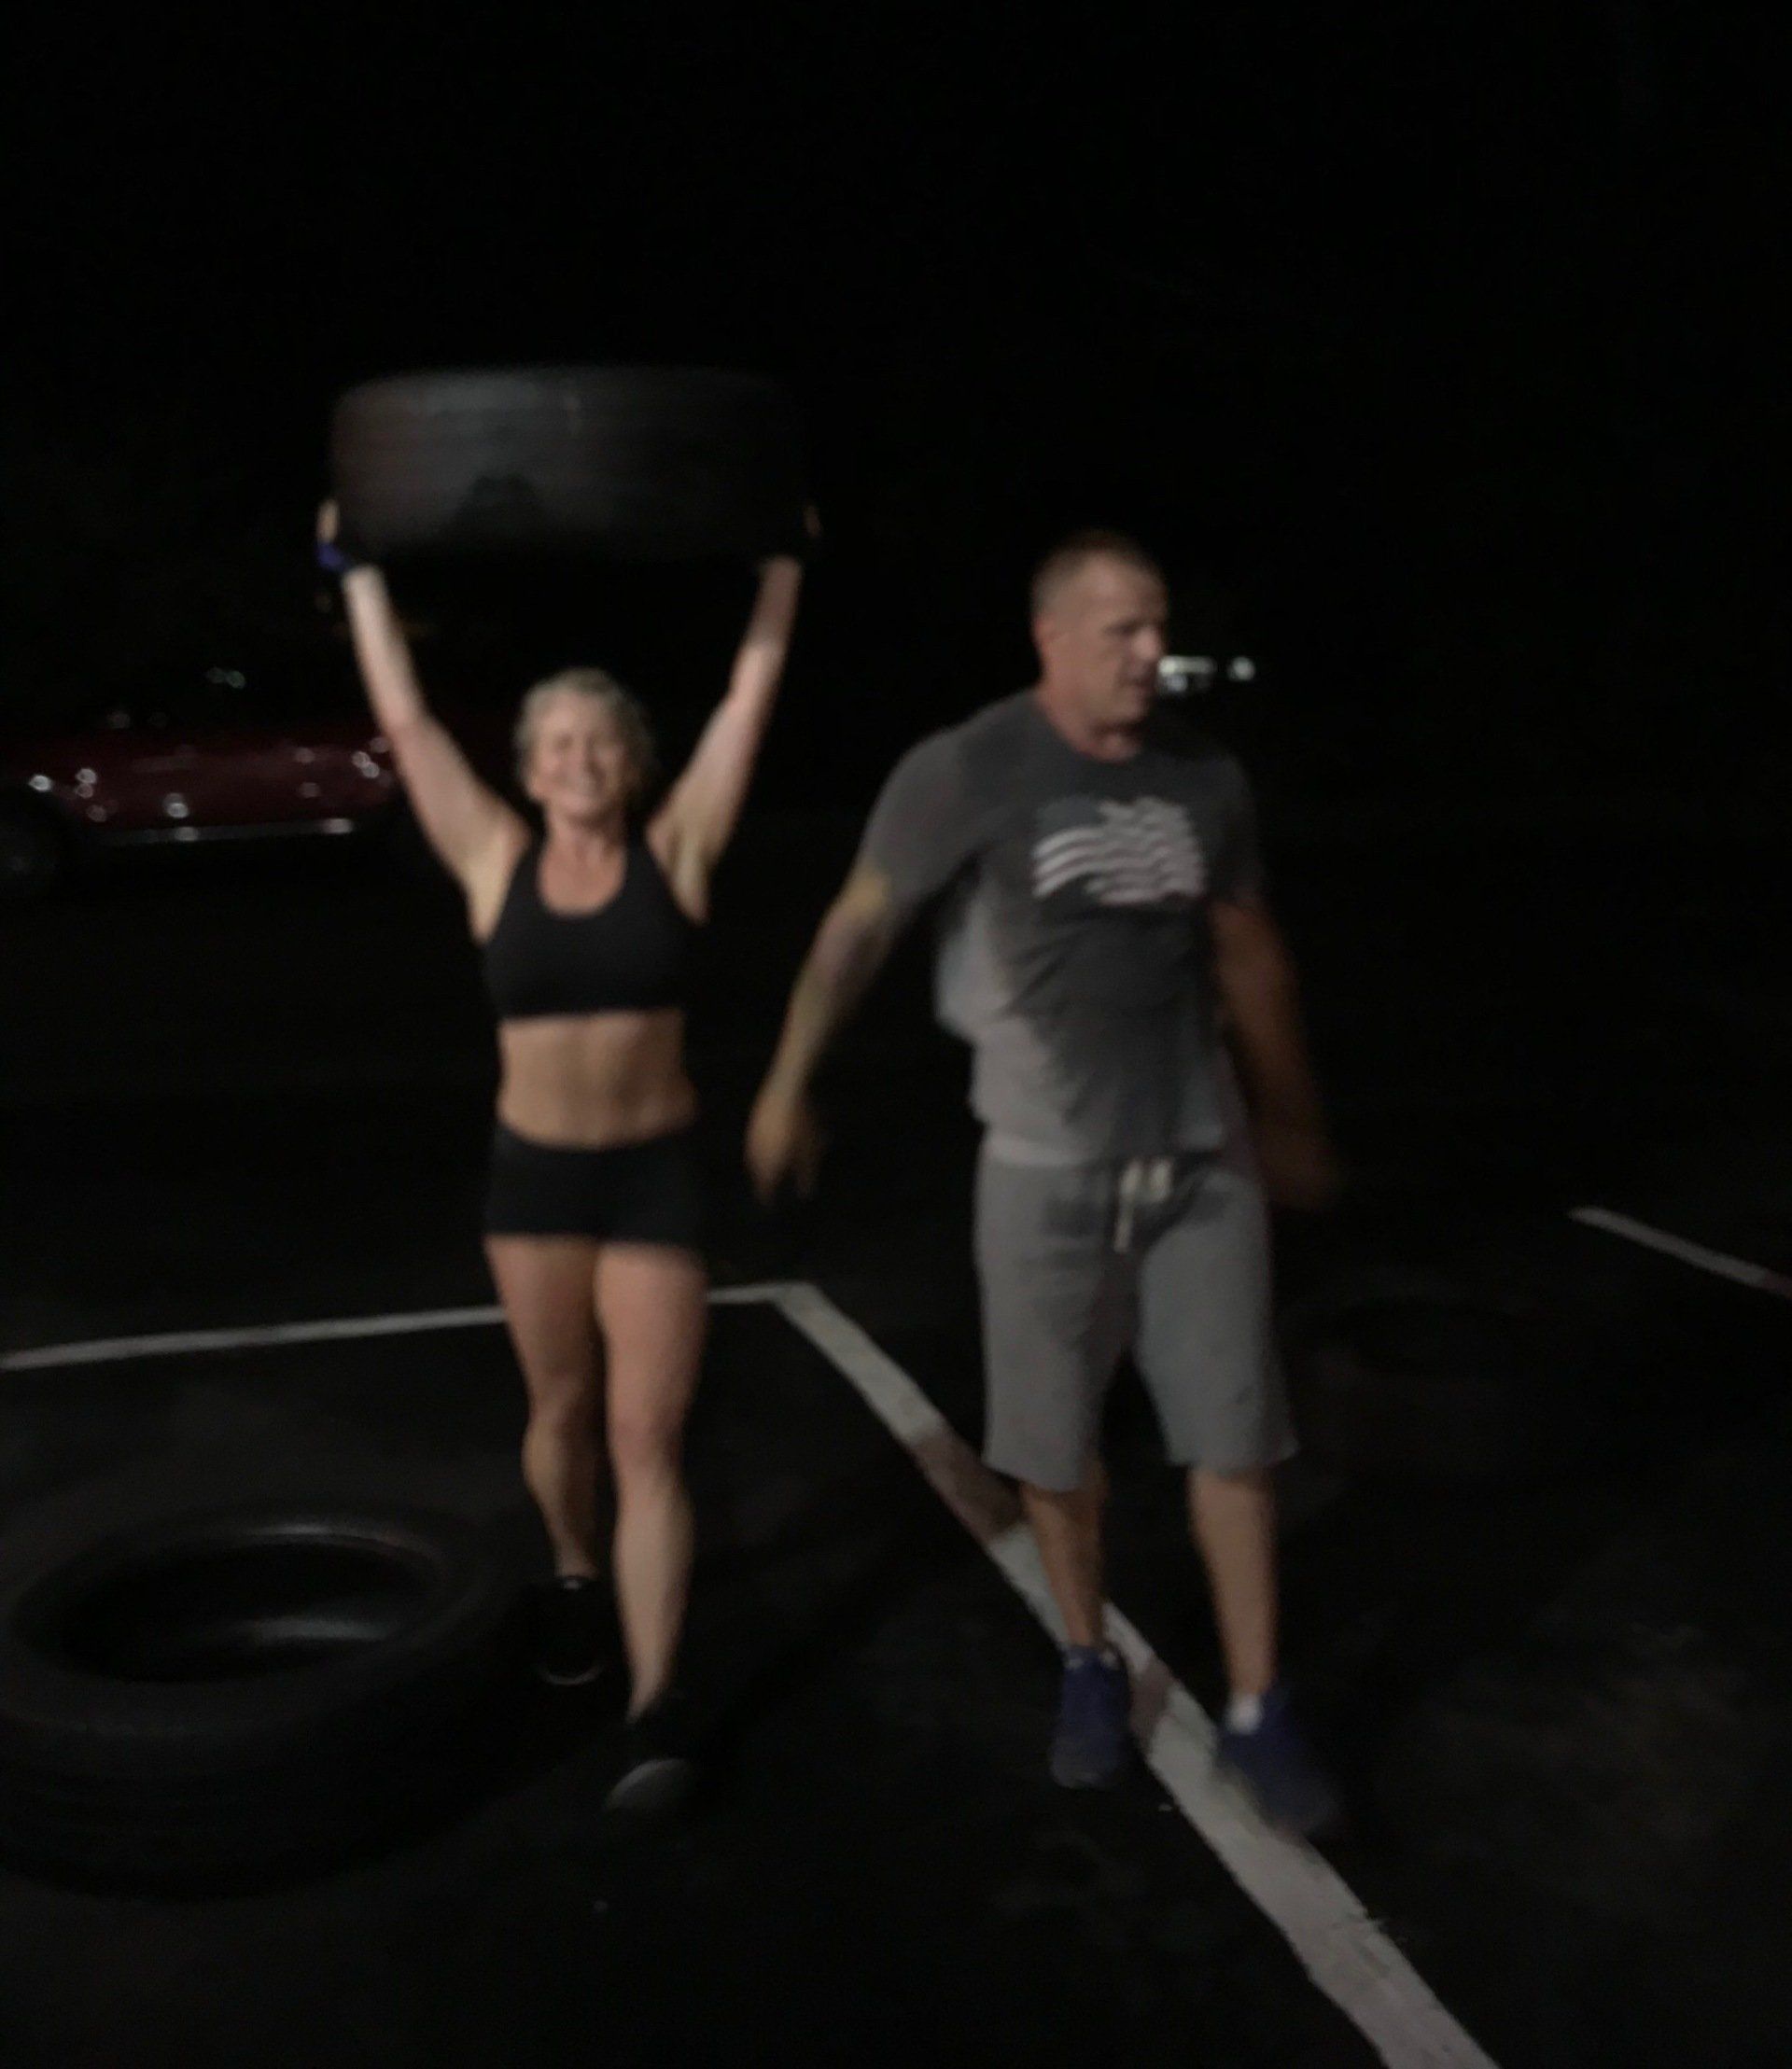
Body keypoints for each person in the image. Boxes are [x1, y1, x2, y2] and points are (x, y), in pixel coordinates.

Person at [746, 530, 1339, 1831]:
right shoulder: (971, 766)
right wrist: (790, 1075)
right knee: (1055, 1446)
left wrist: (1290, 1117)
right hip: (1041, 1170)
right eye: (1123, 630)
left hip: (1199, 1161)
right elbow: (859, 924)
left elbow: (1249, 955)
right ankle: (1086, 1658)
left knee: (1237, 1435)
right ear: (1052, 637)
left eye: (1157, 627)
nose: (1150, 654)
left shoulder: (1205, 778)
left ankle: (1258, 1704)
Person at [320, 497, 809, 1811]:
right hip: (533, 1180)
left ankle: (659, 1703)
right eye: (557, 741)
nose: (581, 756)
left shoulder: (680, 846)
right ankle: (575, 1573)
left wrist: (779, 566)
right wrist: (357, 572)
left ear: (629, 762)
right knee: (564, 1413)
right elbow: (410, 723)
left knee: (650, 1430)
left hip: (652, 1175)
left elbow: (747, 699)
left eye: (601, 739)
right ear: (530, 766)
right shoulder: (493, 858)